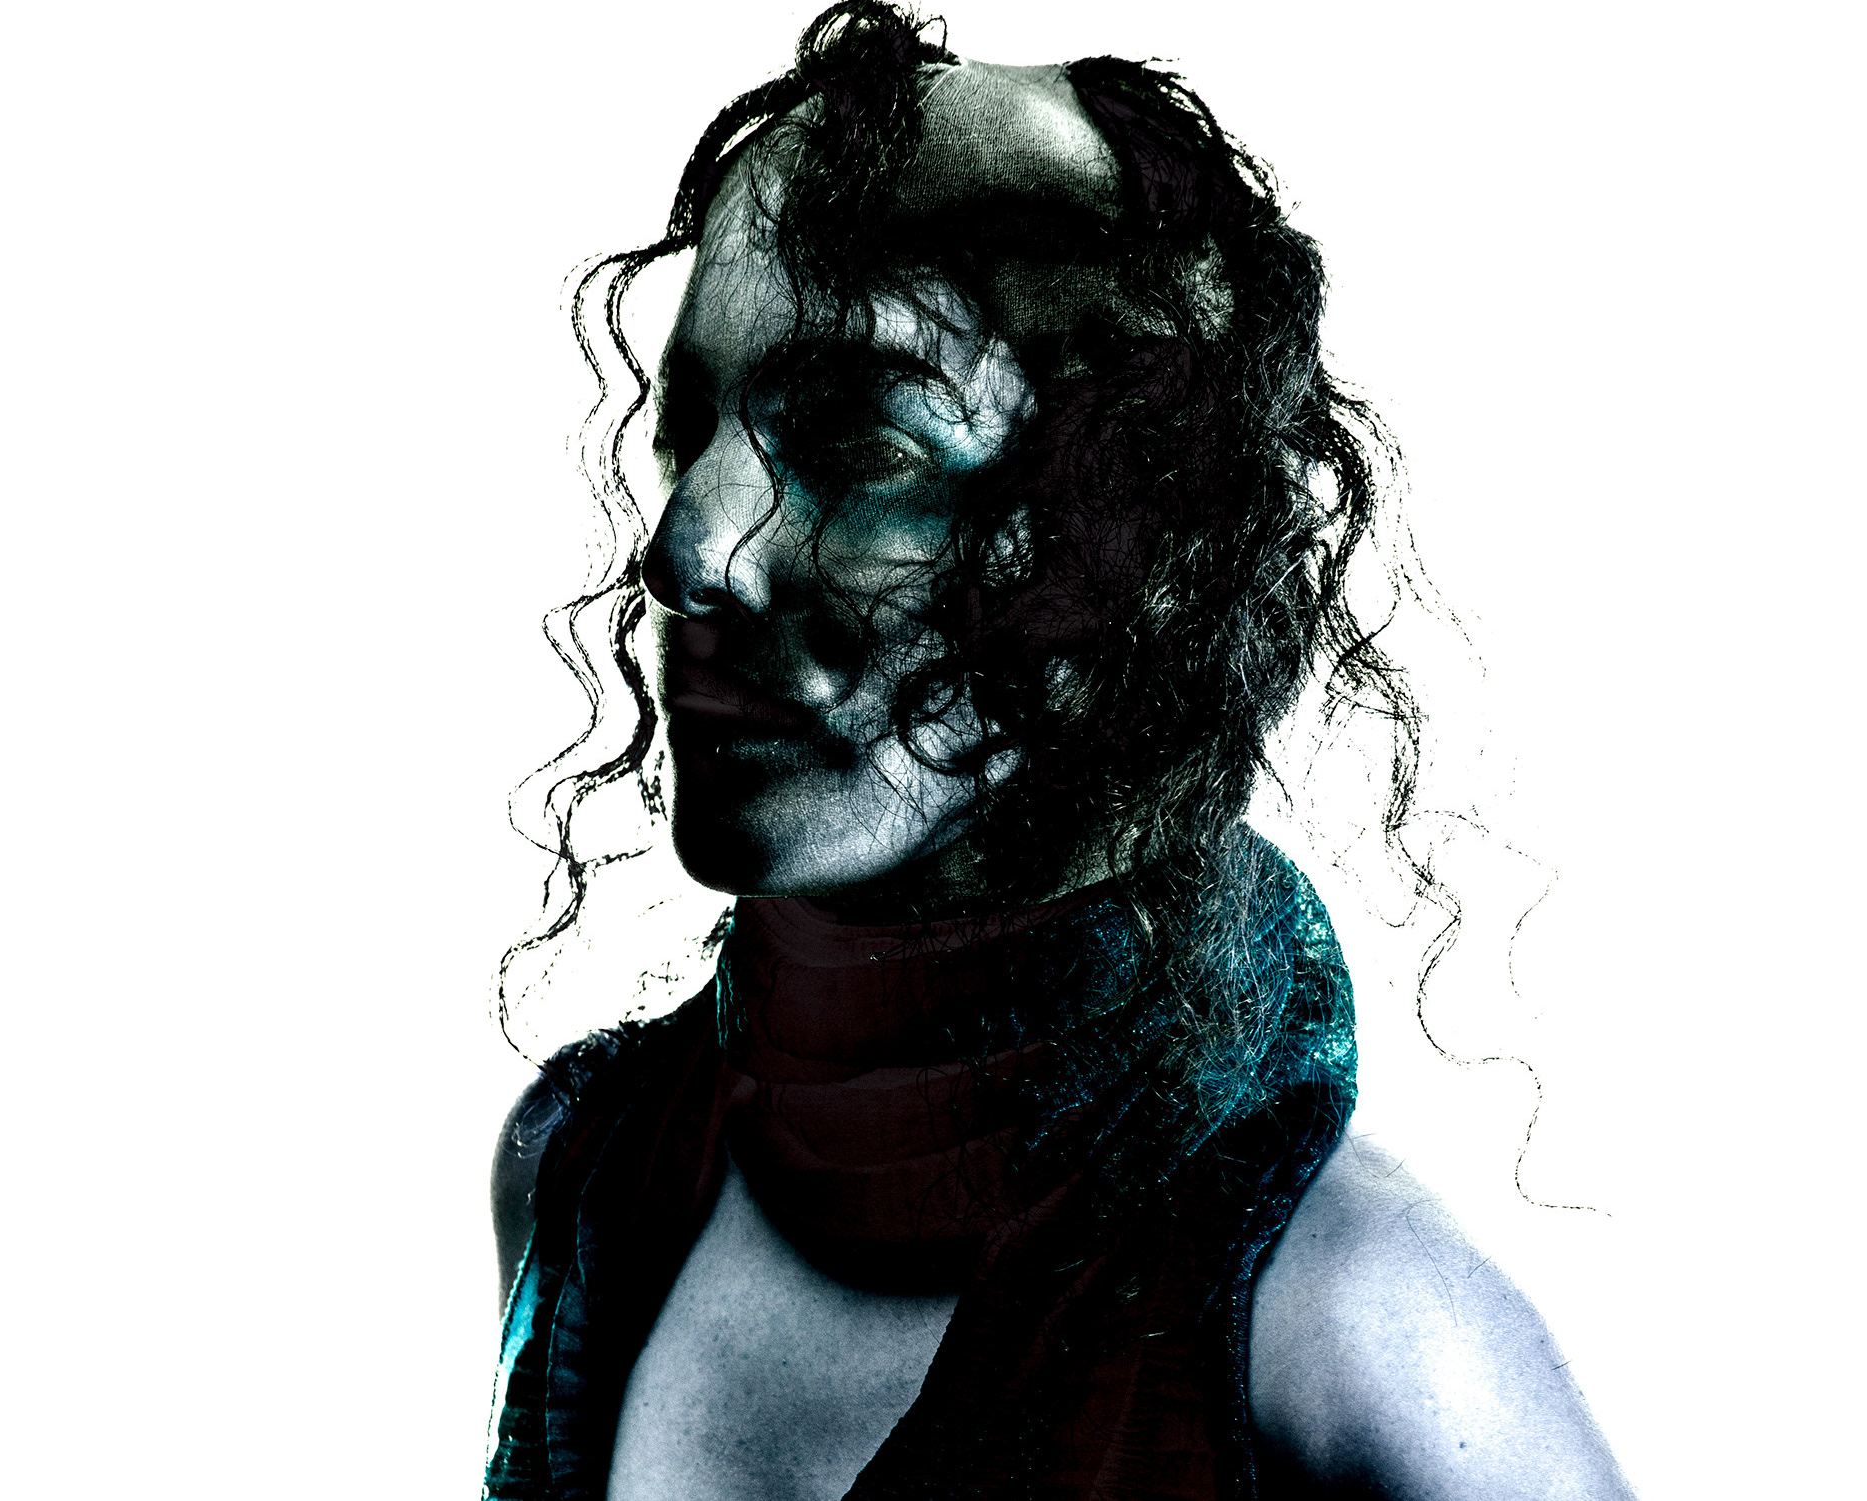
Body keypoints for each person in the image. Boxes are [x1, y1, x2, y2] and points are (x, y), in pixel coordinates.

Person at [484, 4, 1636, 1497]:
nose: (690, 553)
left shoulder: (1358, 1337)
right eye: (689, 428)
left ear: (1138, 548)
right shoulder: (582, 1175)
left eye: (861, 445)